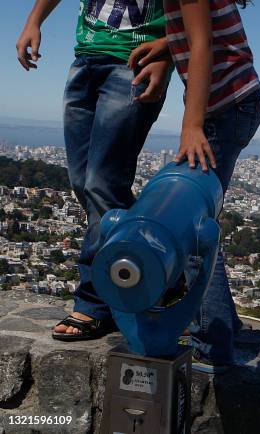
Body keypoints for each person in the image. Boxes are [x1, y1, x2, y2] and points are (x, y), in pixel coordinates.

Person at [16, 0, 171, 339]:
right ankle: (154, 271)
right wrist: (34, 21)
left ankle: (94, 303)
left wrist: (168, 51)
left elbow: (203, 14)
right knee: (85, 183)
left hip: (135, 63)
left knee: (102, 184)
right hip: (85, 59)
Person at [132, 0, 260, 372]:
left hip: (223, 110)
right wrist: (166, 45)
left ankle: (213, 346)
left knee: (193, 228)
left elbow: (203, 44)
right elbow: (200, 33)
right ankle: (223, 325)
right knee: (200, 220)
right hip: (237, 104)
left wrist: (191, 126)